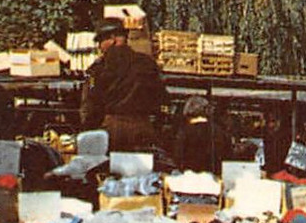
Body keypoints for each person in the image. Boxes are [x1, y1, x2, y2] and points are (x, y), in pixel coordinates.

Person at [80, 20, 166, 152]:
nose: (99, 47)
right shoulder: (147, 64)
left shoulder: (96, 69)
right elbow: (161, 97)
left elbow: (90, 105)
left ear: (112, 39)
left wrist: (88, 130)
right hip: (143, 129)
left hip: (111, 131)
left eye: (100, 41)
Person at [171, 95, 232, 174]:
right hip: (213, 177)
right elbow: (227, 154)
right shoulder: (219, 131)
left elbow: (178, 156)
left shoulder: (184, 131)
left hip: (190, 176)